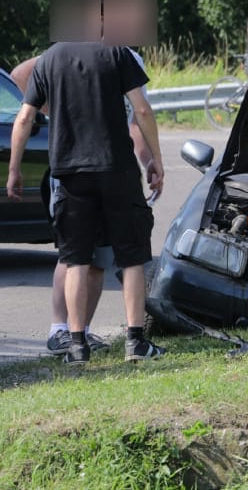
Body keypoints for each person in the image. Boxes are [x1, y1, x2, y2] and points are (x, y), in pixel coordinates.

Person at [6, 42, 165, 364]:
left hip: (69, 172)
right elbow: (142, 111)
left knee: (75, 258)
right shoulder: (117, 54)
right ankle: (136, 342)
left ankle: (77, 346)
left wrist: (14, 169)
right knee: (131, 257)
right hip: (117, 169)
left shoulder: (50, 58)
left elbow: (24, 118)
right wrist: (156, 160)